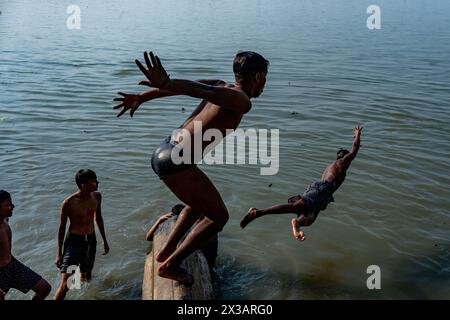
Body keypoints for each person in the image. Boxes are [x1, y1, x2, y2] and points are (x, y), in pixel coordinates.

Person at [114, 50, 269, 284]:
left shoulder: (221, 86)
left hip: (166, 149)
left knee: (198, 206)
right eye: (265, 78)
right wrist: (165, 82)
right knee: (219, 217)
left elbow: (186, 88)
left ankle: (167, 251)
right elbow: (197, 89)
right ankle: (169, 265)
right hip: (177, 160)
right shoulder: (241, 100)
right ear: (257, 76)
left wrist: (144, 97)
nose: (265, 84)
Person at [240, 126, 363, 241]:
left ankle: (297, 224)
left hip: (320, 190)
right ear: (345, 157)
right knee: (297, 207)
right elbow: (355, 148)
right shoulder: (342, 162)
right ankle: (258, 212)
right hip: (322, 189)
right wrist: (357, 135)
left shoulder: (331, 166)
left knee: (310, 217)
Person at [53, 169, 109, 300]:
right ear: (84, 185)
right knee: (66, 284)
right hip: (74, 242)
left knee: (87, 274)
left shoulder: (97, 197)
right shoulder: (69, 203)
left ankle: (86, 295)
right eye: (94, 181)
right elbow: (61, 227)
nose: (98, 182)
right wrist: (59, 253)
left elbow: (99, 219)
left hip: (90, 239)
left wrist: (104, 241)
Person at [0, 190, 51, 300]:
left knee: (44, 288)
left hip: (12, 265)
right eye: (8, 205)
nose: (13, 206)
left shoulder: (5, 220)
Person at [146, 204, 218, 269]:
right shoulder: (173, 225)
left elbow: (149, 238)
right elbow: (148, 238)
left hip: (207, 248)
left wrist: (159, 220)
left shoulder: (194, 226)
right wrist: (159, 220)